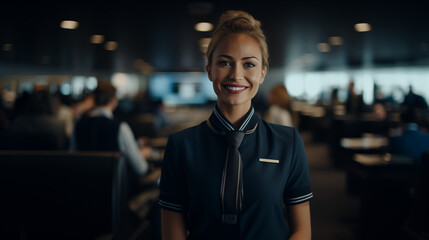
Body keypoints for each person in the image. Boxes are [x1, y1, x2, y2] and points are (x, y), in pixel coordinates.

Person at [159, 10, 313, 240]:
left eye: (249, 64)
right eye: (224, 62)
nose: (236, 74)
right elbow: (172, 232)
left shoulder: (288, 142)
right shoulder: (181, 145)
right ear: (209, 69)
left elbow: (302, 230)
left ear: (262, 73)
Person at [70, 80, 152, 180]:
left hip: (83, 187)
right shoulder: (120, 127)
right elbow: (141, 168)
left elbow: (73, 157)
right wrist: (143, 154)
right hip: (115, 191)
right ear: (113, 100)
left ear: (93, 100)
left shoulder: (78, 126)